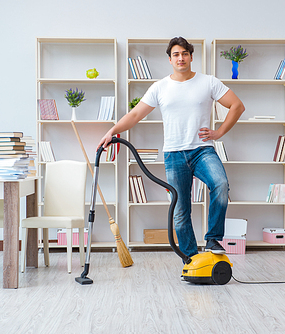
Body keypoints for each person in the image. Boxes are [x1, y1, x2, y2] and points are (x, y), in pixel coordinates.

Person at [98, 36, 244, 258]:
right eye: (176, 54)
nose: (181, 58)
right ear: (170, 59)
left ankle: (213, 239)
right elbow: (136, 114)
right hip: (174, 155)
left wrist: (219, 132)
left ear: (191, 57)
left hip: (202, 150)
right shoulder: (160, 87)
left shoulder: (208, 82)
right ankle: (191, 259)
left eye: (185, 53)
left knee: (221, 184)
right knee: (180, 210)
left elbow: (237, 105)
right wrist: (112, 131)